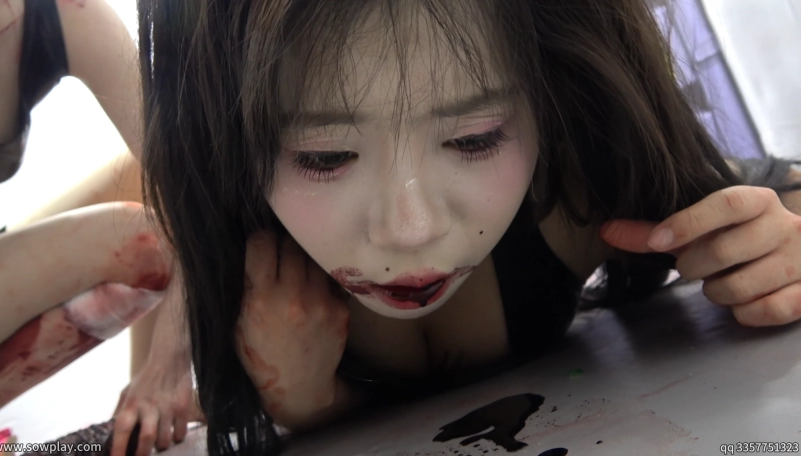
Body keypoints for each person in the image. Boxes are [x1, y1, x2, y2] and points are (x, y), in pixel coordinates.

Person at [134, 0, 801, 455]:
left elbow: (768, 190)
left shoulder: (578, 199)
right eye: (325, 156)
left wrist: (778, 244)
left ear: (551, 100)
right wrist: (297, 399)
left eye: (474, 138)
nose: (411, 229)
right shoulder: (230, 263)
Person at [0, 0, 198, 451]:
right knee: (143, 241)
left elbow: (193, 193)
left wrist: (169, 358)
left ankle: (142, 411)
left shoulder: (66, 14)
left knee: (152, 172)